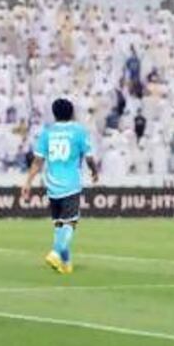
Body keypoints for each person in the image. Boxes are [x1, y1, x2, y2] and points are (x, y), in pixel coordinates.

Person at [21, 99, 99, 274]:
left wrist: (27, 182)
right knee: (70, 223)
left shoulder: (47, 133)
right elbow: (89, 157)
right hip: (70, 184)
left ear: (54, 114)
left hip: (52, 185)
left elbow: (37, 162)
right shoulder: (79, 131)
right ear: (71, 113)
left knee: (58, 224)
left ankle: (65, 263)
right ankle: (56, 252)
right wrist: (94, 172)